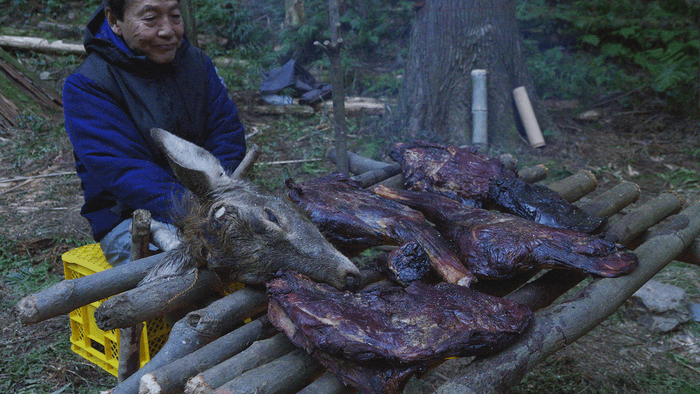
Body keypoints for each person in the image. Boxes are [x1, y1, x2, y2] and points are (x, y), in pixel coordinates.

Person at [63, 0, 246, 266]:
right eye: (150, 19)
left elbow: (227, 134)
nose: (168, 30)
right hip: (132, 218)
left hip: (215, 203)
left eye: (174, 16)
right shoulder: (89, 85)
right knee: (195, 269)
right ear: (115, 21)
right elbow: (125, 171)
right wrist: (199, 209)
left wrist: (219, 195)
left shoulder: (196, 64)